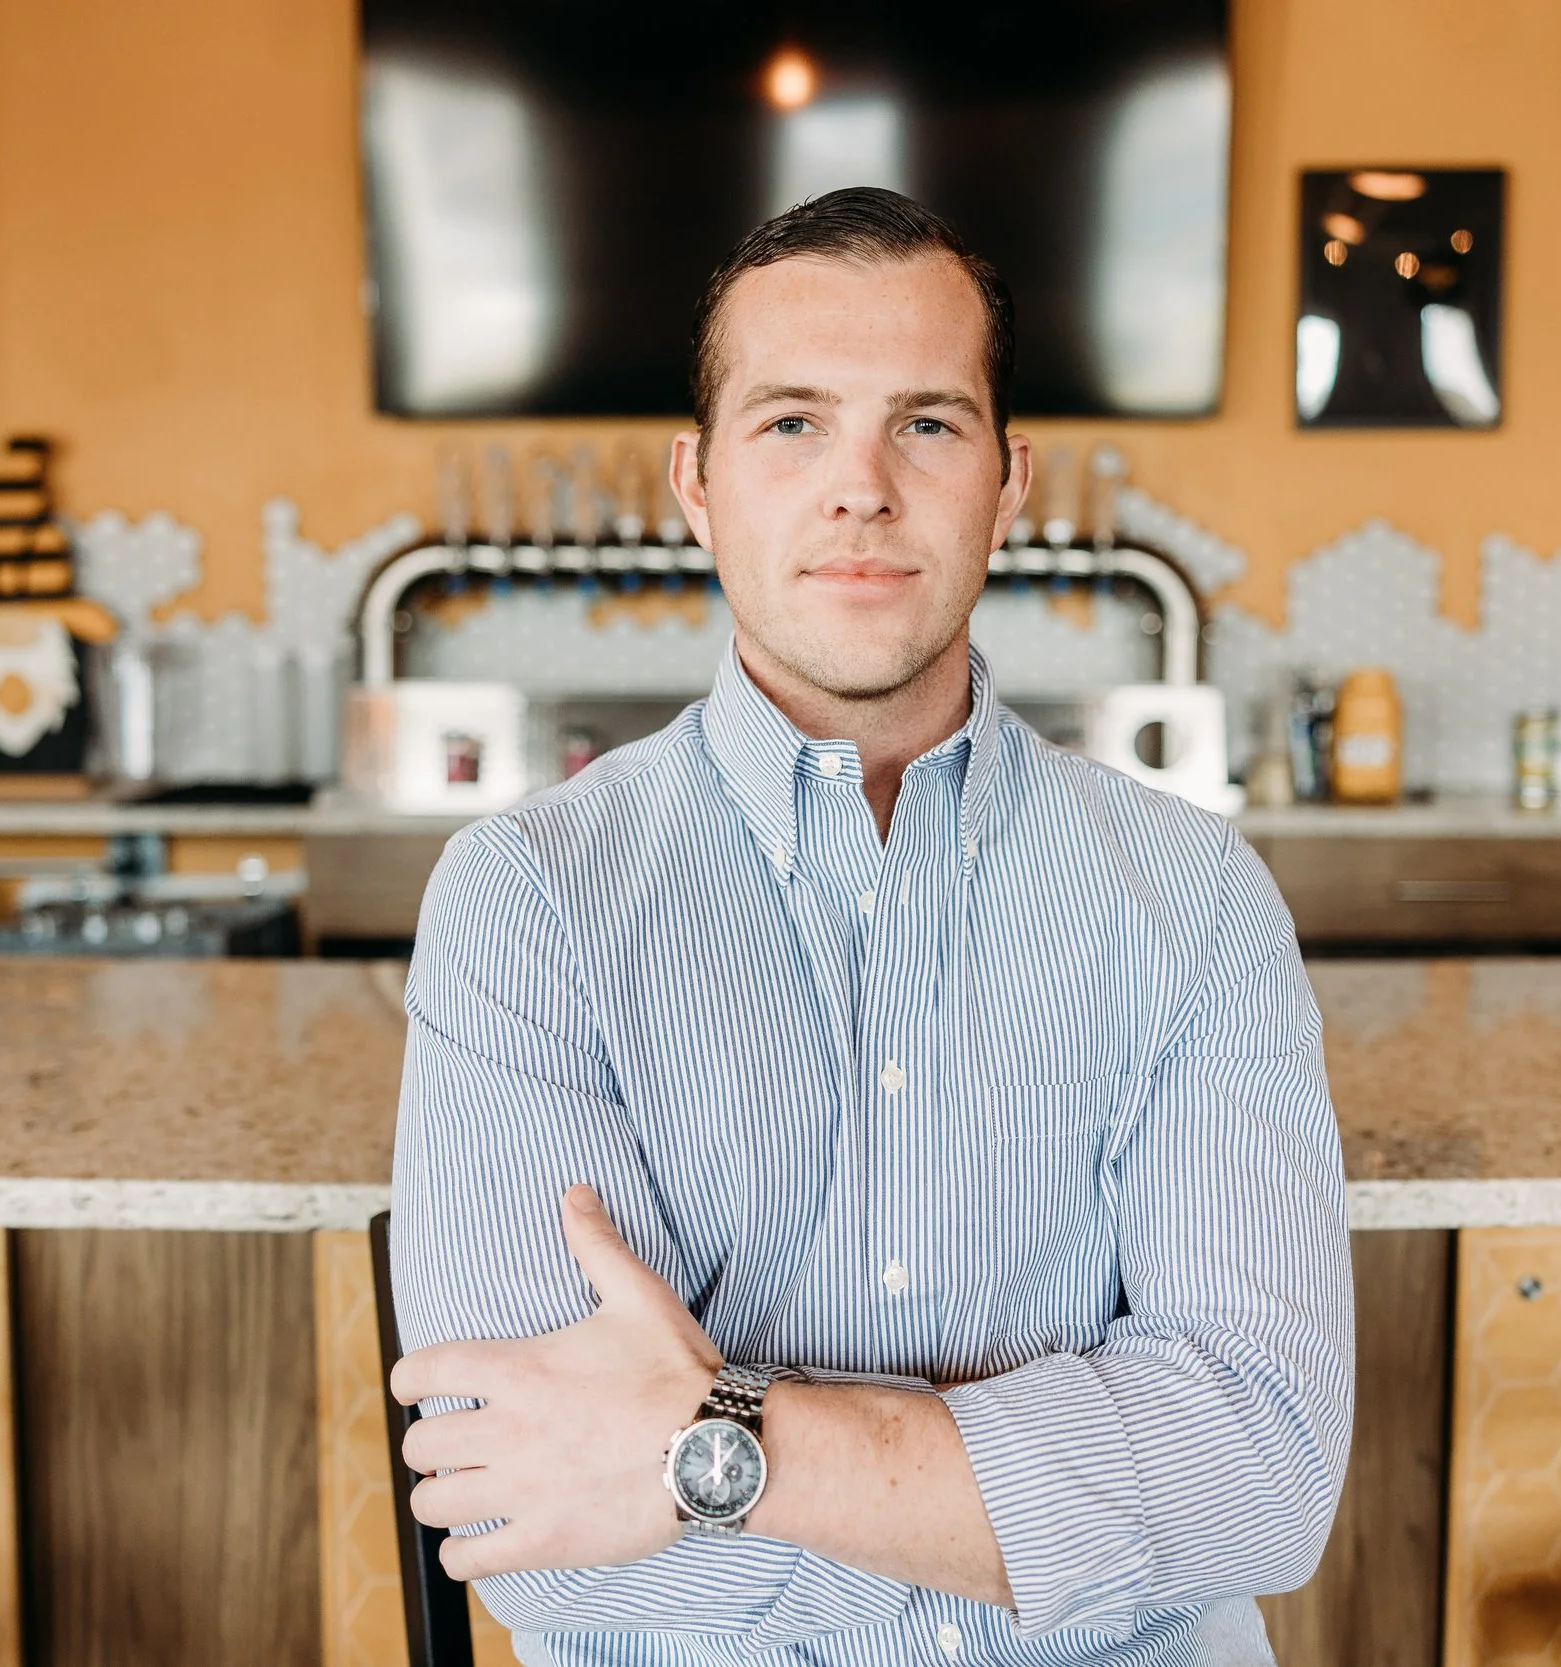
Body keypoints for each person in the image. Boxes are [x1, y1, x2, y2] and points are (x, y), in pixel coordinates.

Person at [389, 186, 1352, 1667]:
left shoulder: (1198, 895)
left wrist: (717, 1446)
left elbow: (1263, 1476)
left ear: (1009, 481)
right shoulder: (528, 903)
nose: (862, 487)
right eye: (790, 423)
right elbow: (533, 1525)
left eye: (927, 422)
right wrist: (1039, 1513)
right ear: (696, 483)